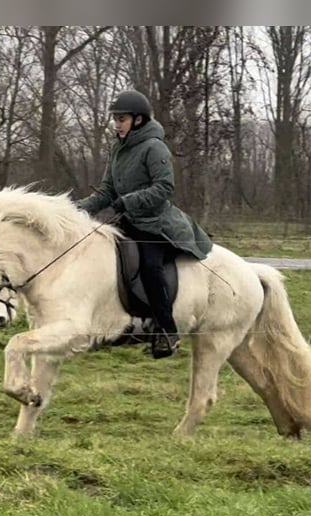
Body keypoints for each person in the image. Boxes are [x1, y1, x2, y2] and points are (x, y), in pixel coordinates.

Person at [76, 89, 213, 359]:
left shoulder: (154, 147)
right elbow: (106, 191)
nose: (117, 123)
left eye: (122, 118)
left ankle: (166, 330)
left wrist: (128, 201)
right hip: (128, 222)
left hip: (156, 224)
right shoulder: (117, 149)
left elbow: (164, 187)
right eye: (115, 118)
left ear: (138, 120)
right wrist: (74, 210)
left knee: (150, 268)